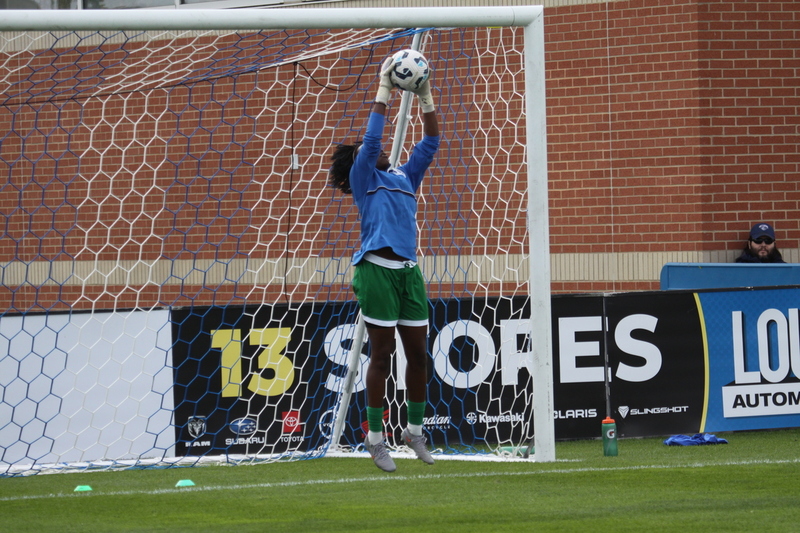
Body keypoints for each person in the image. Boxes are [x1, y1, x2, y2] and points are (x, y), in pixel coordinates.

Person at [328, 56, 440, 472]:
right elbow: (372, 144)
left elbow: (429, 145)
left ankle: (414, 432)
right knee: (382, 354)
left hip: (409, 274)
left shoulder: (405, 179)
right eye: (361, 151)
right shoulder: (365, 178)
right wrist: (383, 88)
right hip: (375, 269)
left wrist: (426, 98)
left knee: (419, 356)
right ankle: (375, 438)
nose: (368, 151)